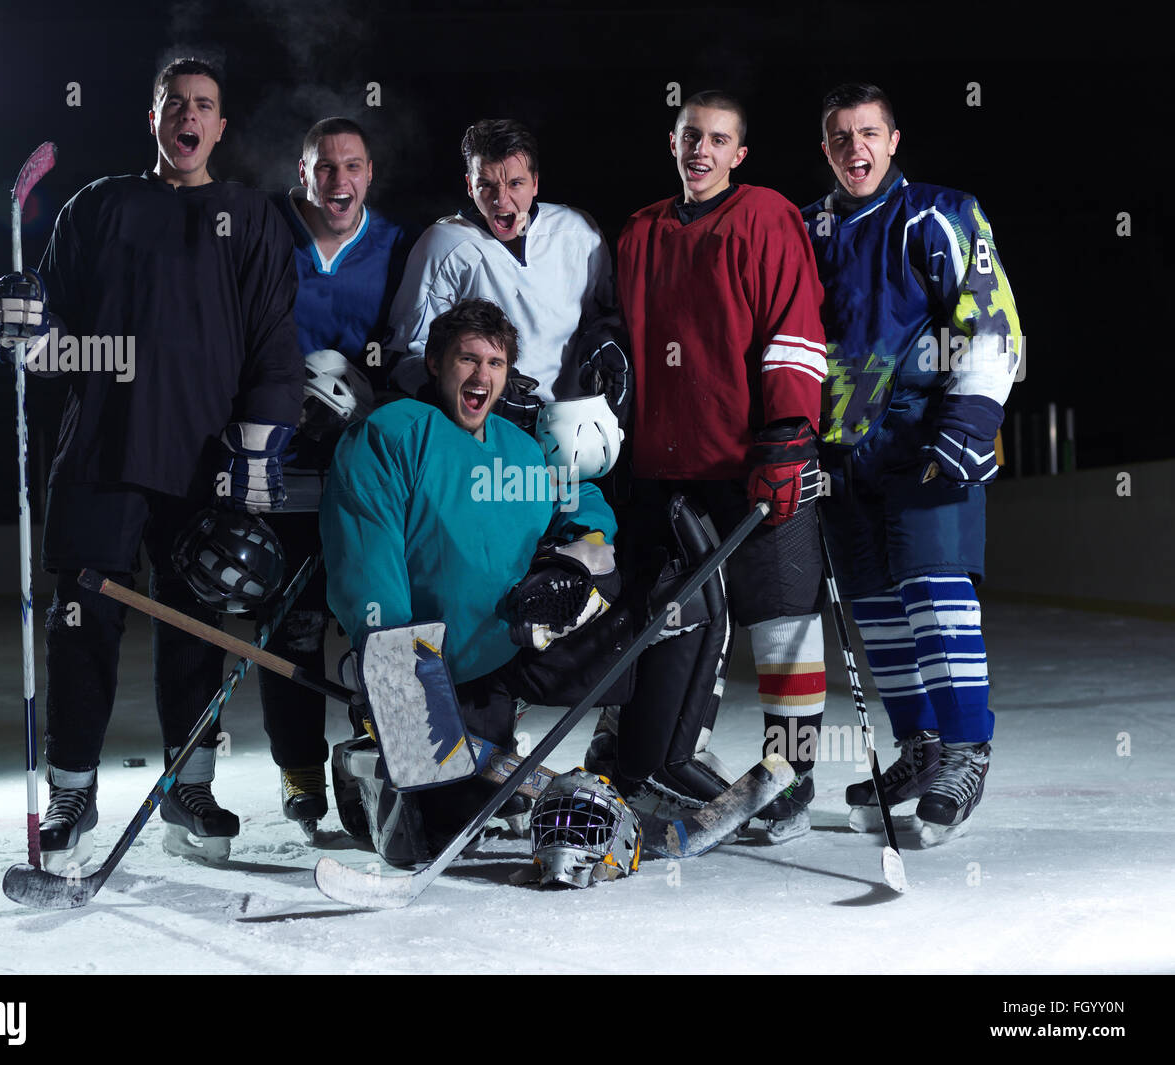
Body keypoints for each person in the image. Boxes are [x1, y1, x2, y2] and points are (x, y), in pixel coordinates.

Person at [0, 58, 303, 868]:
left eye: (203, 106)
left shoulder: (252, 217)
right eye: (174, 105)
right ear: (153, 118)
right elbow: (52, 346)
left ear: (220, 127)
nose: (188, 117)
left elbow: (273, 342)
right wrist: (17, 328)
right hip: (101, 451)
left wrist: (258, 446)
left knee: (193, 627)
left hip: (203, 456)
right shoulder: (99, 207)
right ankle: (72, 788)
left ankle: (188, 784)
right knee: (84, 624)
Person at [321, 298, 696, 869]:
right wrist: (395, 670)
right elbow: (366, 560)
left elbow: (587, 507)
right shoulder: (392, 434)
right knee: (438, 834)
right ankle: (363, 763)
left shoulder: (517, 448)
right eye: (467, 360)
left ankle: (639, 769)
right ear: (436, 366)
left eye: (494, 363)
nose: (480, 376)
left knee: (654, 600)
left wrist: (573, 562)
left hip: (505, 652)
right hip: (426, 663)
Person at [606, 90, 829, 843]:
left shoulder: (765, 215)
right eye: (690, 135)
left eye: (718, 139)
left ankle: (792, 772)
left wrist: (790, 431)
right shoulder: (639, 230)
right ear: (672, 143)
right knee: (670, 624)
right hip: (669, 473)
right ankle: (655, 755)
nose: (701, 149)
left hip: (756, 465)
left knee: (785, 623)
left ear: (739, 154)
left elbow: (795, 321)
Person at [801, 82, 1021, 845]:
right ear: (825, 149)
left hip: (926, 439)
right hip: (844, 452)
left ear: (893, 140)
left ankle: (966, 748)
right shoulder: (811, 227)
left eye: (867, 132)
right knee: (877, 611)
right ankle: (921, 748)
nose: (853, 146)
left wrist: (968, 419)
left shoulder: (941, 211)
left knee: (934, 593)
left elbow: (991, 321)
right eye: (838, 136)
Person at [260, 117, 410, 839]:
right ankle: (298, 769)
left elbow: (412, 345)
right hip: (285, 462)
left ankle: (381, 754)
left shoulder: (395, 244)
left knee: (373, 620)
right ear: (304, 172)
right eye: (324, 167)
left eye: (351, 166)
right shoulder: (269, 237)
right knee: (291, 624)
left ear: (369, 173)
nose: (338, 181)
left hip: (363, 470)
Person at [385, 119, 626, 430]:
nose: (501, 200)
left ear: (535, 182)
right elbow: (404, 357)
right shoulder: (443, 245)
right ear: (470, 185)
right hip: (483, 428)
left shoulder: (578, 232)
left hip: (574, 427)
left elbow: (604, 318)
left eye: (515, 183)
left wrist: (607, 344)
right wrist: (482, 393)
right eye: (486, 185)